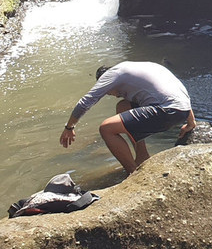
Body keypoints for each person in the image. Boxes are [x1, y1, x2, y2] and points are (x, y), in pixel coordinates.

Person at [60, 61, 196, 174]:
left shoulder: (111, 75)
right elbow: (176, 93)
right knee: (123, 106)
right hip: (181, 110)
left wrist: (69, 127)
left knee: (106, 128)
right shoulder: (140, 67)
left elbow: (86, 102)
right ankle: (142, 157)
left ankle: (133, 174)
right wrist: (191, 122)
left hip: (166, 111)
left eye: (109, 92)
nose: (113, 95)